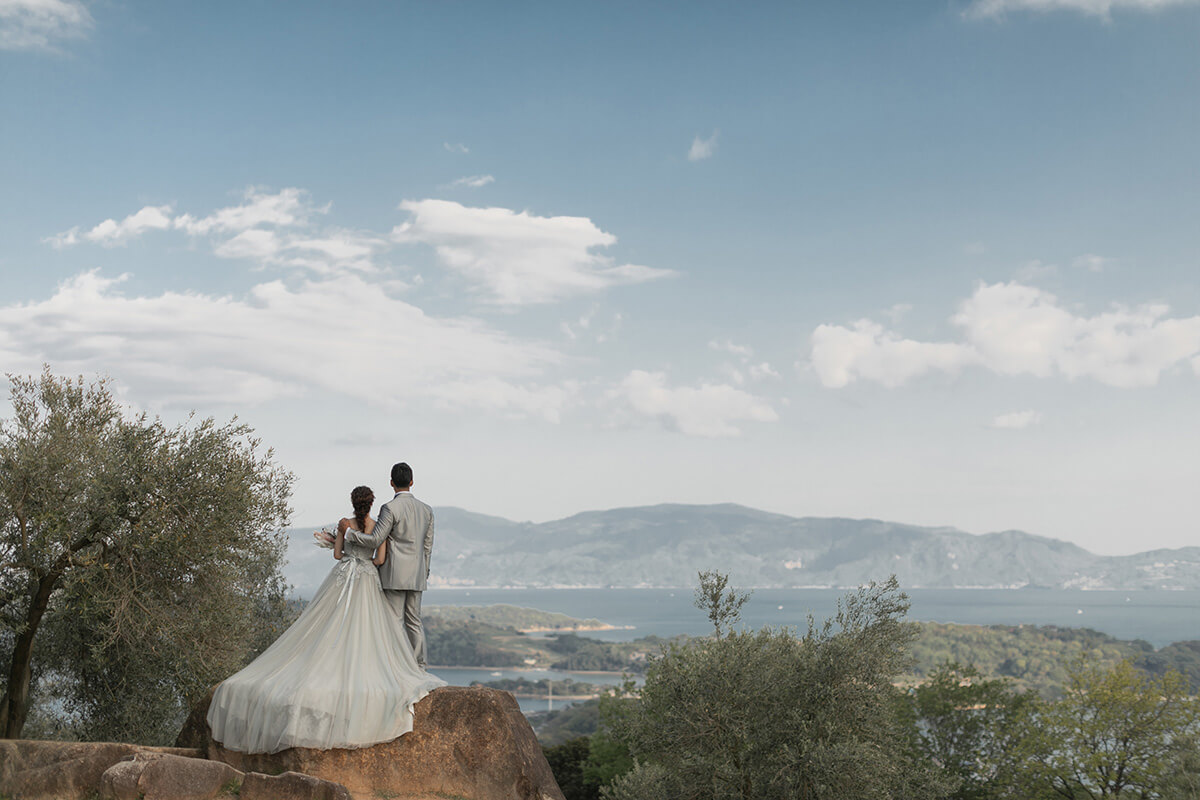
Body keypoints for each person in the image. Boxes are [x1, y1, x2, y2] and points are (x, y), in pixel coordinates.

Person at [206, 485, 444, 754]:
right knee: (372, 627)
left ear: (353, 502)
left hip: (342, 576)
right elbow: (380, 559)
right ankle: (405, 663)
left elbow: (337, 555)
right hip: (367, 578)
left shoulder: (344, 525)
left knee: (328, 624)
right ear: (372, 502)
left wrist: (340, 540)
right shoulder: (380, 526)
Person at [343, 462, 435, 668]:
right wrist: (424, 571)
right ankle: (419, 666)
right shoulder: (427, 510)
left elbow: (375, 540)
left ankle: (396, 667)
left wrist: (350, 534)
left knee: (394, 621)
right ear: (412, 482)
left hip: (394, 573)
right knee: (414, 622)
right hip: (418, 573)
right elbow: (427, 546)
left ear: (391, 483)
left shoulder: (389, 508)